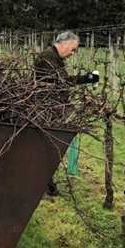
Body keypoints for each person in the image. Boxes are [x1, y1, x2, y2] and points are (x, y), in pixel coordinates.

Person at [33, 31, 99, 196]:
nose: (73, 53)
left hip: (52, 108)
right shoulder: (48, 57)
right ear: (65, 43)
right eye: (73, 49)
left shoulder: (55, 58)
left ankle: (46, 184)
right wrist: (86, 78)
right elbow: (61, 82)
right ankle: (45, 184)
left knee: (49, 146)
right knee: (47, 146)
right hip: (46, 109)